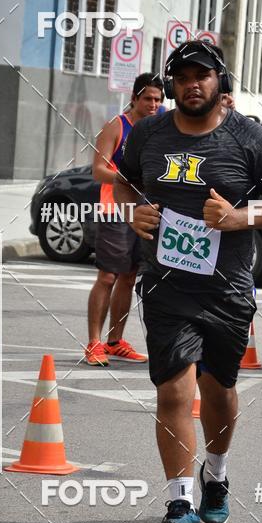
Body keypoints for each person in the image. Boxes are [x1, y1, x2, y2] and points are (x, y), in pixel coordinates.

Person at [114, 40, 262, 523]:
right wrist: (134, 210)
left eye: (203, 75)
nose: (193, 84)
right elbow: (124, 183)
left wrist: (242, 217)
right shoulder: (149, 133)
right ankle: (179, 502)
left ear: (220, 81)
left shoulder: (249, 138)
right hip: (167, 286)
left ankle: (214, 474)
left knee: (219, 390)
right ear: (171, 84)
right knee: (173, 389)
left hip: (228, 289)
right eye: (183, 76)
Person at [86, 73, 164, 366]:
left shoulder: (159, 128)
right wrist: (129, 179)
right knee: (107, 276)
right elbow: (98, 170)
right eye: (148, 99)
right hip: (114, 209)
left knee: (129, 277)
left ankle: (115, 340)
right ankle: (94, 342)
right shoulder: (116, 126)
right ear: (134, 98)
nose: (153, 104)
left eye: (158, 100)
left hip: (146, 210)